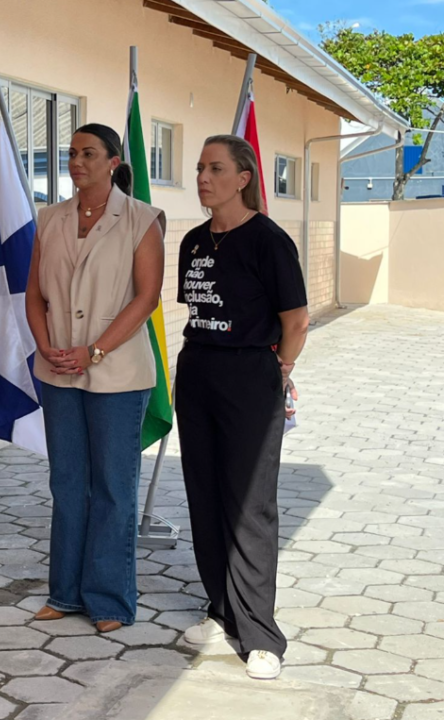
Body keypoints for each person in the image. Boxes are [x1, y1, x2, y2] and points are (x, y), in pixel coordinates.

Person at [175, 134, 309, 680]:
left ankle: (260, 635)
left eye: (215, 168)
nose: (203, 177)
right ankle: (221, 608)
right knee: (205, 495)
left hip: (251, 374)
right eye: (200, 168)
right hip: (199, 369)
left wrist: (280, 370)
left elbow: (295, 321)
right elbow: (199, 309)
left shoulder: (269, 241)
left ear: (244, 177)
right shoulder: (192, 241)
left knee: (249, 503)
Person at [26, 123, 165, 634]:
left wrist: (96, 350)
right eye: (71, 153)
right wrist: (44, 345)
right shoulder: (50, 218)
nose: (76, 162)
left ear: (112, 162)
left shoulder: (142, 219)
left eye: (88, 153)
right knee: (67, 484)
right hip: (58, 367)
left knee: (111, 488)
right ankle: (64, 594)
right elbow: (34, 295)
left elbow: (146, 298)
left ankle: (109, 601)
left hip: (118, 374)